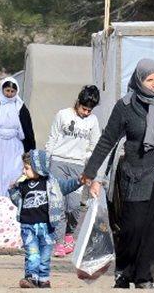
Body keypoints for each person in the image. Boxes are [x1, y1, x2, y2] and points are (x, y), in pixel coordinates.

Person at [81, 58, 154, 289]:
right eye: (149, 80)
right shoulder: (126, 106)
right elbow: (107, 140)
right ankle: (124, 271)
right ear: (139, 81)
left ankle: (144, 277)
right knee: (133, 227)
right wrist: (91, 172)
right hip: (136, 176)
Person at [8, 150, 81, 289]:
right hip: (28, 226)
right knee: (32, 253)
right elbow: (18, 202)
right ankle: (31, 277)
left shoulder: (52, 183)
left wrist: (80, 181)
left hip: (47, 227)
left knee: (45, 255)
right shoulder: (23, 184)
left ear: (38, 168)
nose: (23, 171)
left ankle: (43, 279)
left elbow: (68, 186)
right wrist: (12, 191)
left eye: (27, 168)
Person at [45, 85, 101, 257]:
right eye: (84, 109)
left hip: (78, 166)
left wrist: (88, 162)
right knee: (59, 203)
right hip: (58, 162)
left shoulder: (93, 121)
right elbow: (52, 138)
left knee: (74, 206)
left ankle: (69, 234)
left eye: (89, 110)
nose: (86, 113)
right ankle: (59, 241)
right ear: (78, 103)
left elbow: (96, 145)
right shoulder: (63, 115)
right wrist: (45, 162)